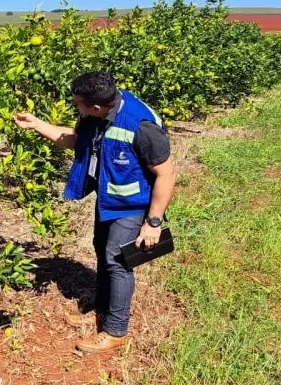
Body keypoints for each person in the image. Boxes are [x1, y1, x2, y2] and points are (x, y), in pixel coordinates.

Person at [13, 71, 176, 353]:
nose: (76, 107)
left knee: (118, 260)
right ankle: (102, 308)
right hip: (109, 200)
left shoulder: (140, 126)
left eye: (79, 103)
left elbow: (167, 173)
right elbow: (75, 140)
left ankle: (115, 330)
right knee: (102, 251)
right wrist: (36, 124)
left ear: (97, 106)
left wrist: (153, 222)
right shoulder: (97, 115)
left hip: (133, 205)